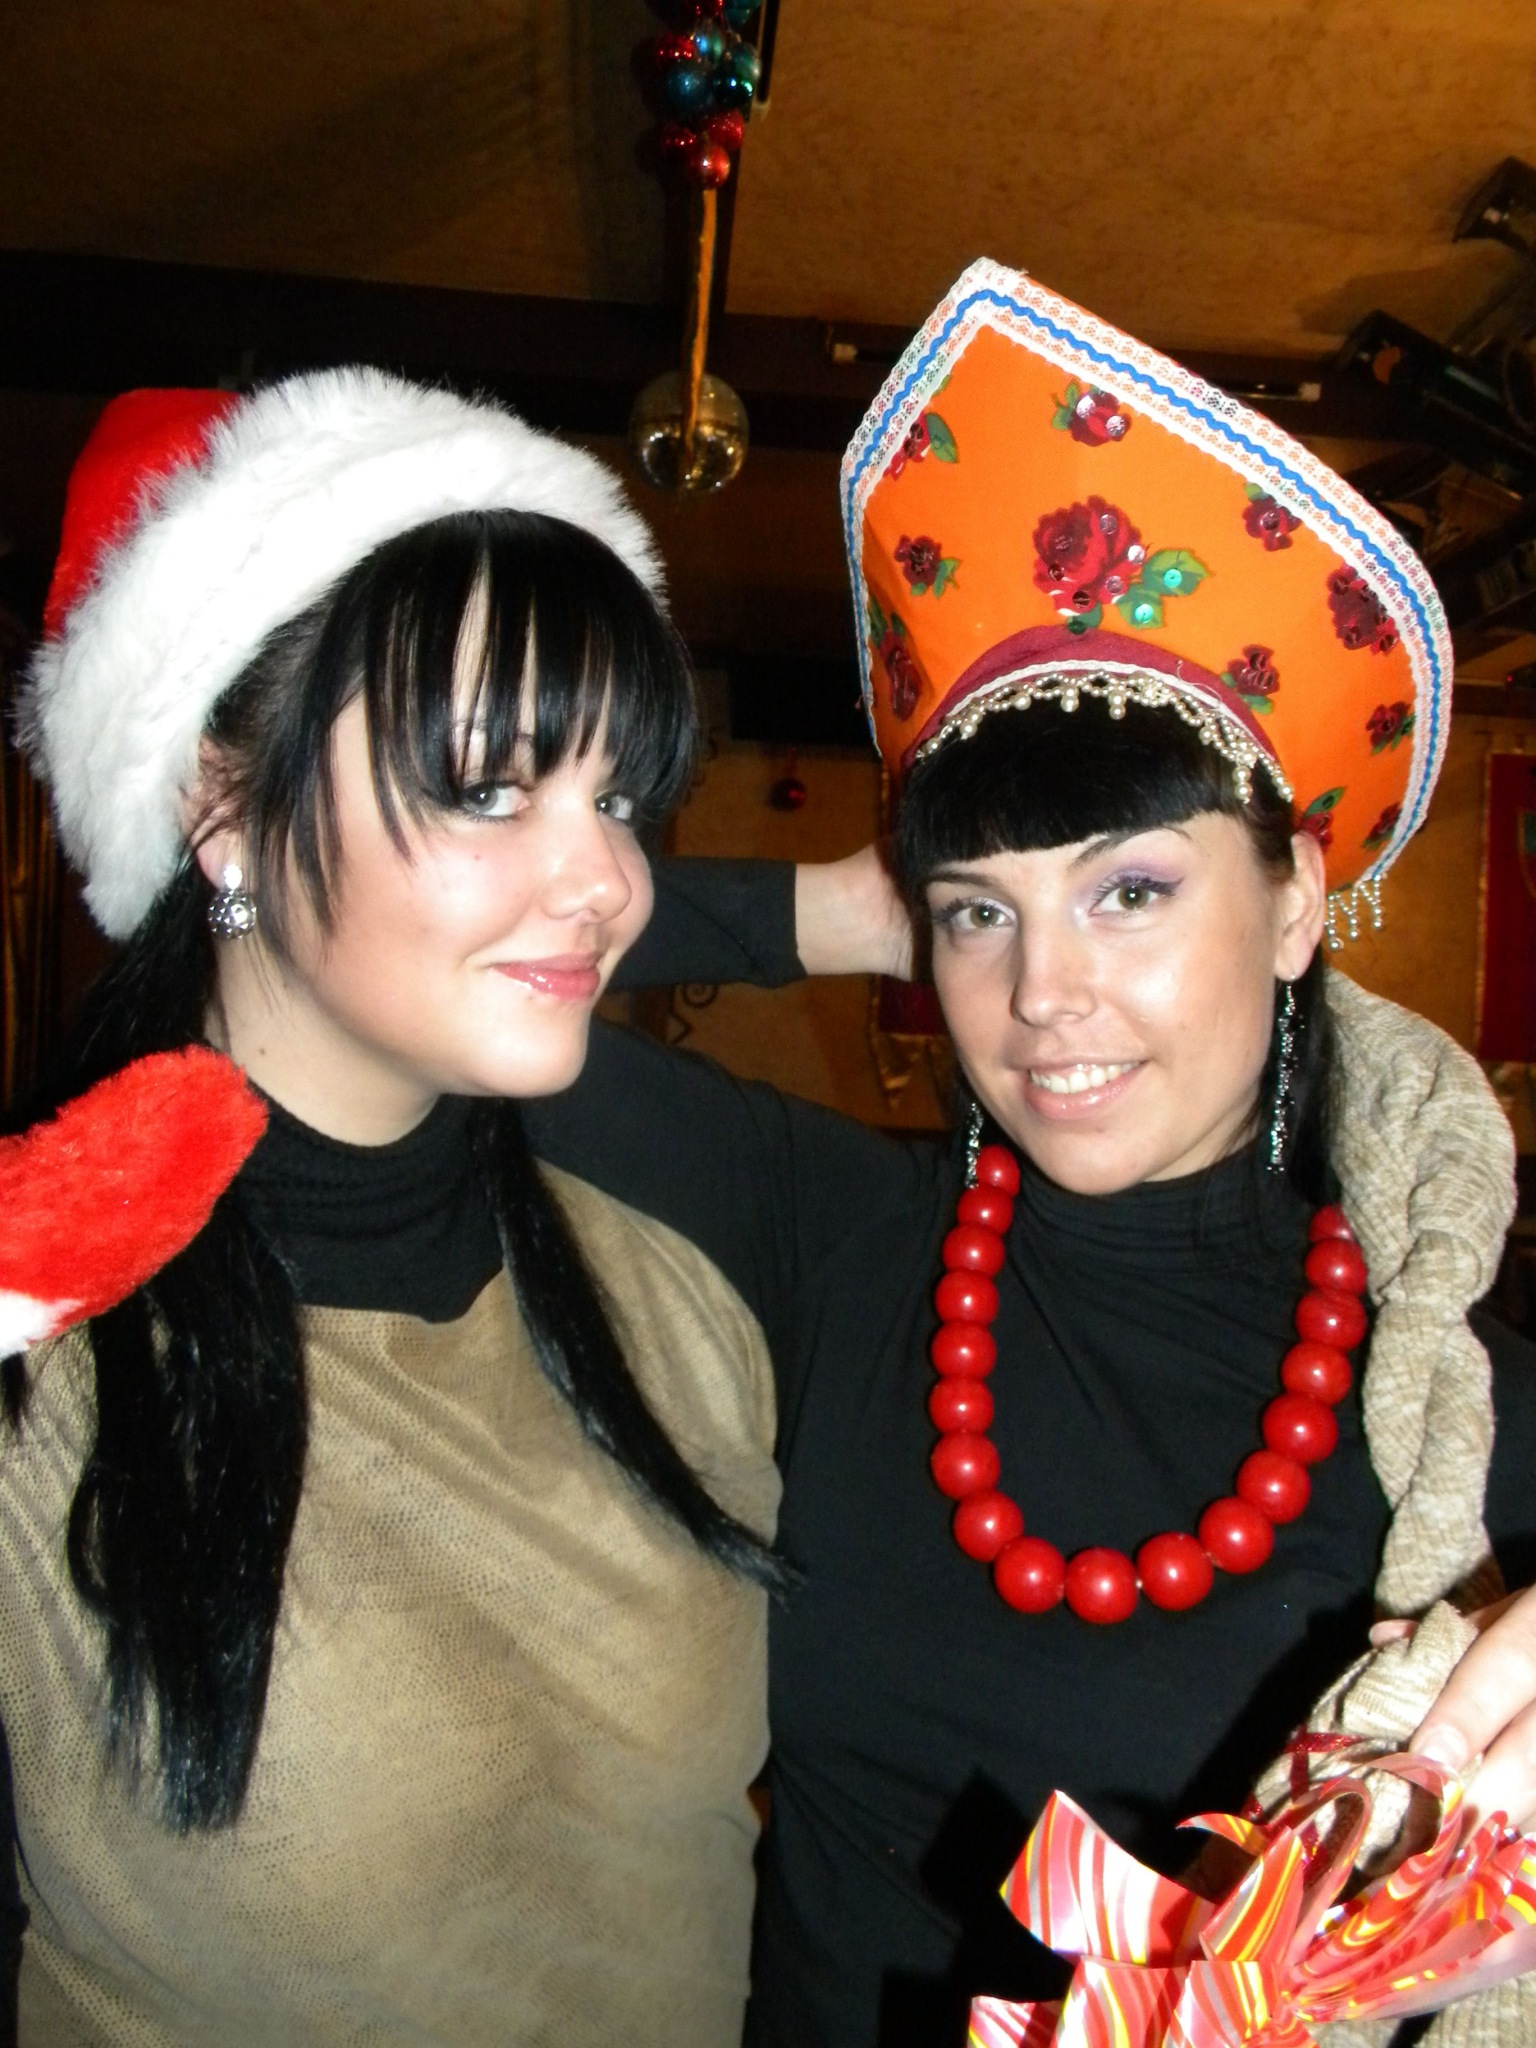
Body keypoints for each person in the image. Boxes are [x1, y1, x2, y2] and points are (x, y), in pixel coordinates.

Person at [525, 262, 1536, 2047]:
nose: (1041, 996)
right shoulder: (837, 1235)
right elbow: (410, 967)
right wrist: (837, 913)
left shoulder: (1462, 1415)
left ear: (1296, 905)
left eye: (1130, 892)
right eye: (982, 913)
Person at [1, 373, 784, 2045]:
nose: (607, 881)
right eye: (491, 787)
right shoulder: (38, 1379)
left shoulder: (674, 1307)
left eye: (617, 799)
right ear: (223, 807)